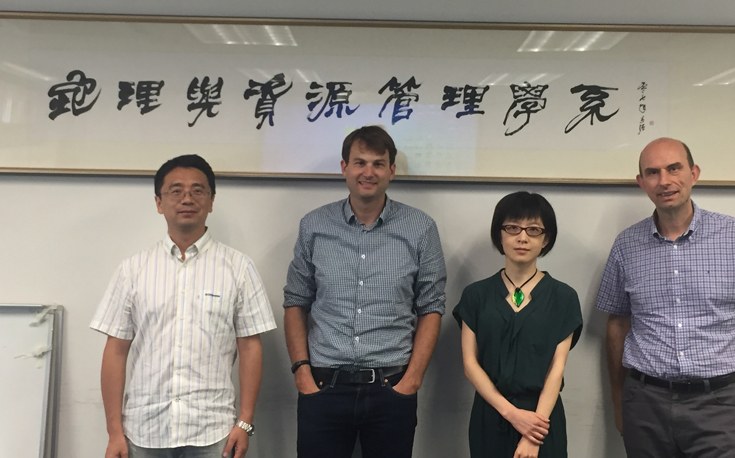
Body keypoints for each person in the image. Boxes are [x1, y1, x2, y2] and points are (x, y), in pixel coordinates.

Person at [596, 137, 735, 457]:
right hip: (645, 403)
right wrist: (619, 402)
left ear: (694, 173)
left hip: (720, 404)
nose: (664, 181)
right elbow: (617, 325)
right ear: (641, 182)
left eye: (674, 168)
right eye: (653, 172)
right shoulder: (626, 245)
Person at [90, 155, 276, 458]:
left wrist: (245, 422)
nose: (187, 198)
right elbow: (115, 350)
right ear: (159, 202)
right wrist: (114, 433)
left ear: (211, 201)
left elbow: (250, 347)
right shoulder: (133, 269)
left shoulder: (239, 268)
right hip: (144, 432)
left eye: (197, 190)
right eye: (175, 191)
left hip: (213, 432)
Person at [283, 125, 447, 458]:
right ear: (344, 168)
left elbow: (431, 307)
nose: (368, 172)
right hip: (323, 386)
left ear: (392, 170)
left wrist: (412, 379)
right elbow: (296, 301)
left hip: (392, 387)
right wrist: (301, 371)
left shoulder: (420, 228)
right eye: (359, 163)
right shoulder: (315, 225)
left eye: (377, 163)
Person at [454, 191, 582, 458]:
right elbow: (470, 365)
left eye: (534, 230)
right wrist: (512, 414)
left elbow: (556, 371)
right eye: (512, 228)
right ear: (499, 234)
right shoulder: (476, 295)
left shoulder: (564, 297)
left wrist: (533, 434)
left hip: (542, 420)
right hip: (490, 415)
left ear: (546, 239)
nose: (522, 237)